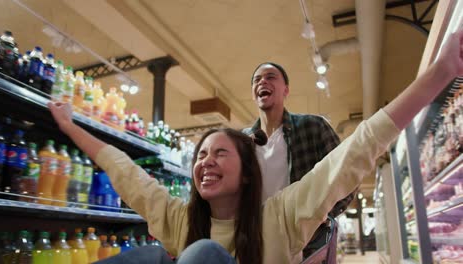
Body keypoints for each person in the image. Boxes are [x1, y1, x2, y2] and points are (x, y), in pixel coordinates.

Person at [48, 29, 463, 264]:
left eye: (220, 153)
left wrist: (441, 71)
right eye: (201, 154)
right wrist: (70, 128)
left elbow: (357, 150)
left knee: (202, 254)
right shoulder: (179, 218)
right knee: (150, 256)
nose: (206, 161)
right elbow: (125, 172)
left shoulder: (280, 214)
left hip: (302, 234)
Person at [243, 61, 353, 259]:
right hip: (256, 243)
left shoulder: (313, 127)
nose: (262, 82)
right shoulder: (243, 142)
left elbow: (347, 176)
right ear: (253, 93)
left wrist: (320, 217)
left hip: (305, 244)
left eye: (270, 77)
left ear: (286, 90)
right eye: (257, 79)